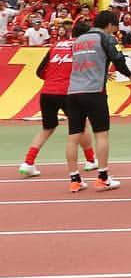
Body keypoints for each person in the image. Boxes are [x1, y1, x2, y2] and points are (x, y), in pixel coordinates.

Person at [18, 19, 97, 177]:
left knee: (47, 128)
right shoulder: (83, 48)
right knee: (81, 126)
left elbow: (40, 71)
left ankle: (28, 162)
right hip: (68, 92)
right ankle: (90, 160)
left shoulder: (55, 46)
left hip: (47, 92)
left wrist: (53, 79)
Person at [65, 10, 131, 192]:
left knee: (73, 137)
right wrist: (129, 74)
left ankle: (74, 179)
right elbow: (117, 59)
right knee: (101, 134)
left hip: (73, 92)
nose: (115, 29)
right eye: (115, 25)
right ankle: (102, 177)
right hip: (94, 91)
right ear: (109, 24)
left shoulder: (78, 41)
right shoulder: (106, 38)